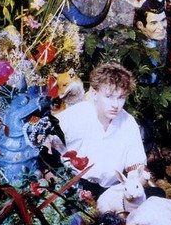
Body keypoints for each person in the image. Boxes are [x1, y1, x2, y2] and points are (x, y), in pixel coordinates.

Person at [54, 63, 147, 197]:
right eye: (108, 97)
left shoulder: (128, 122)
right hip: (73, 184)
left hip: (111, 190)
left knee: (156, 194)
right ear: (94, 94)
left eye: (121, 97)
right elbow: (47, 140)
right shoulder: (76, 114)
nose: (115, 105)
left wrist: (134, 182)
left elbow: (136, 164)